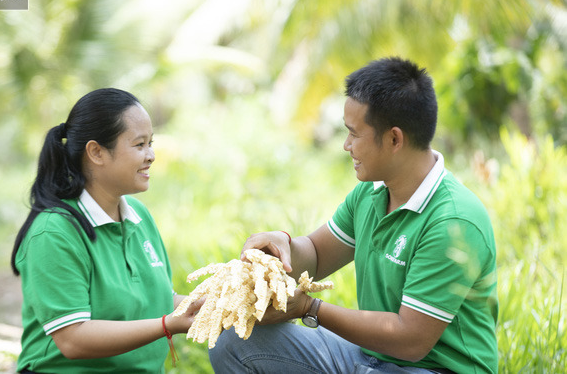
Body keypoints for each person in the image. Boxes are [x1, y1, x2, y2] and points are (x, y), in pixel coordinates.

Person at [209, 57, 498, 373]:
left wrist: (310, 308)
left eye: (353, 133)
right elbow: (318, 255)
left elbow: (411, 341)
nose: (346, 145)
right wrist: (281, 248)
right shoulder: (371, 193)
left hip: (432, 368)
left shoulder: (453, 221)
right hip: (370, 358)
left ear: (394, 139)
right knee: (235, 343)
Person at [10, 88, 201, 373]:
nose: (151, 155)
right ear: (97, 152)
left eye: (151, 143)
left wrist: (218, 303)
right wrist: (167, 325)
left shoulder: (140, 217)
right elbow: (73, 339)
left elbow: (159, 300)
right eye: (139, 145)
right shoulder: (54, 232)